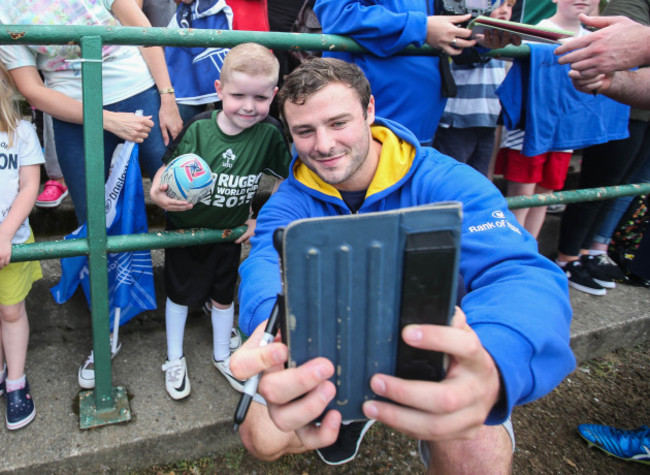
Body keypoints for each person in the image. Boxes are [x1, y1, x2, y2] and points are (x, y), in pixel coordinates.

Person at [231, 58, 576, 469]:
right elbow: (265, 267)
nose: (322, 145)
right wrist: (274, 337)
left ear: (370, 111)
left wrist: (494, 361)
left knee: (474, 458)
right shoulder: (290, 199)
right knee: (261, 435)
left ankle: (377, 405)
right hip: (332, 344)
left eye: (338, 123)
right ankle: (354, 412)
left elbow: (518, 272)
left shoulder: (446, 180)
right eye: (305, 131)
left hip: (433, 342)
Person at [150, 43, 291, 400]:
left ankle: (222, 356)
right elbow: (166, 167)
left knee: (224, 297)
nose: (248, 106)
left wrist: (261, 218)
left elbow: (281, 180)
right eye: (238, 94)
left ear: (274, 95)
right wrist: (156, 191)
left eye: (260, 97)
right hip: (186, 232)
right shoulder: (199, 128)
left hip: (230, 235)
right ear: (218, 90)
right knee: (180, 297)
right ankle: (174, 357)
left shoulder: (271, 133)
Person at [0, 0, 183, 226]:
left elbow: (144, 34)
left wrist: (167, 97)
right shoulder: (4, 11)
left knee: (180, 194)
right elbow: (32, 90)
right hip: (73, 114)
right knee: (92, 221)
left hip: (140, 92)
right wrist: (106, 119)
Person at [313, 0, 521, 146]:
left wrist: (479, 39)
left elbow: (447, 26)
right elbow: (338, 15)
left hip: (419, 130)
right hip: (367, 128)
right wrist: (422, 28)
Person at [550, 4, 650, 295]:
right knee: (601, 186)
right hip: (617, 115)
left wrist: (644, 42)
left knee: (617, 188)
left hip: (631, 115)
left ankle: (585, 252)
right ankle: (570, 257)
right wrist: (613, 80)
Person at [494, 0, 600, 239]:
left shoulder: (592, 40)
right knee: (522, 196)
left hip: (567, 132)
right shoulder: (534, 32)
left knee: (545, 196)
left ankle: (532, 255)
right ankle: (513, 254)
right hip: (528, 130)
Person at [0, 62, 43, 430]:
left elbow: (30, 186)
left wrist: (3, 233)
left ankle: (15, 380)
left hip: (10, 241)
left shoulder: (21, 131)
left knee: (11, 311)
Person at [433, 0, 516, 176]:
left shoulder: (505, 40)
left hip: (488, 120)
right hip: (457, 121)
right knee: (452, 178)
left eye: (509, 5)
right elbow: (465, 58)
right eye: (497, 5)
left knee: (481, 176)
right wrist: (481, 44)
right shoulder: (461, 32)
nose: (504, 10)